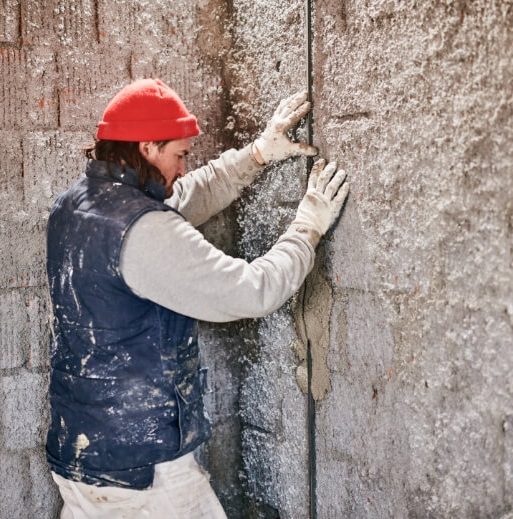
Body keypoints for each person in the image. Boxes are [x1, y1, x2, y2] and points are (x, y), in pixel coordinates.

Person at [45, 78, 349, 518]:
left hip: (80, 452)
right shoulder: (143, 231)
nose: (184, 168)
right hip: (143, 472)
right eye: (180, 154)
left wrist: (258, 153)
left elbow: (180, 199)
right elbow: (250, 291)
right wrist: (307, 227)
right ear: (147, 147)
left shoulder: (76, 205)